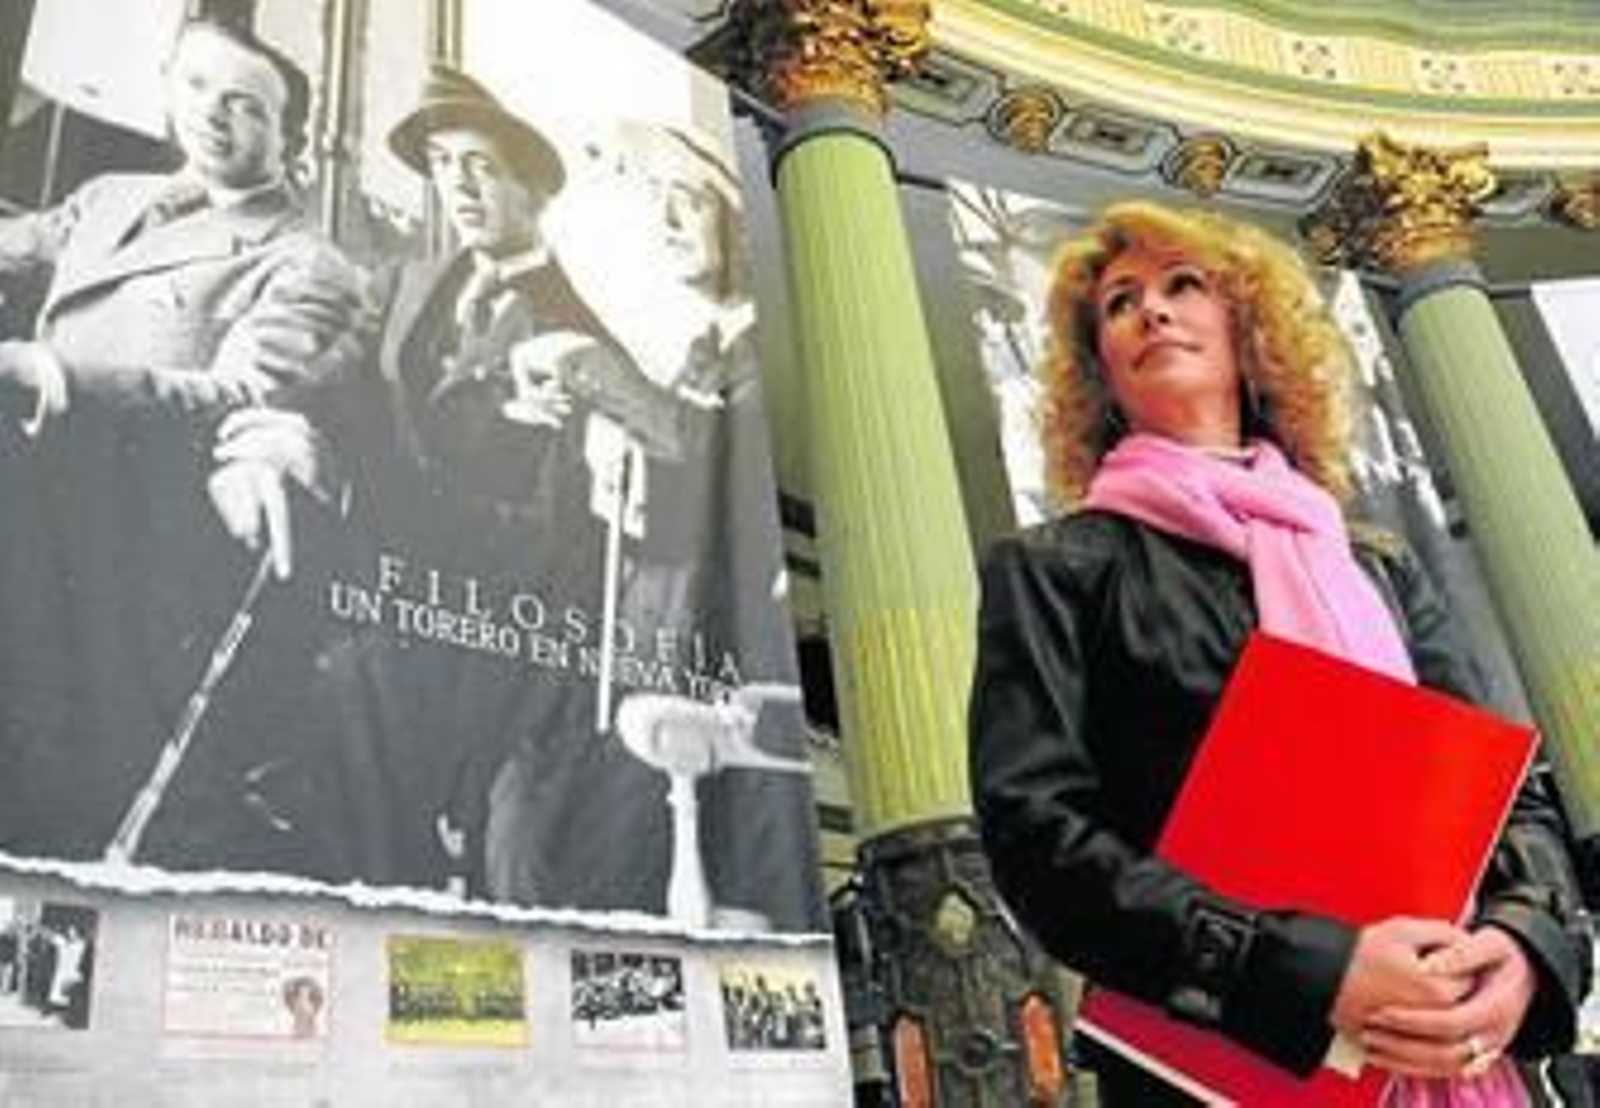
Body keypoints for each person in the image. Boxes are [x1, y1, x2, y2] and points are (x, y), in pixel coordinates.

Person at [967, 201, 1591, 1105]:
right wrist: (1309, 970)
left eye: (1185, 285)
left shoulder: (1376, 562)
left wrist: (1527, 944)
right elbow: (1037, 836)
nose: (1153, 311)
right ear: (1098, 366)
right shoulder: (1054, 567)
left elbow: (1506, 790)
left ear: (1245, 329)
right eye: (1120, 303)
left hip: (1452, 1043)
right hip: (1215, 1062)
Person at [215, 64, 683, 900]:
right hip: (377, 586)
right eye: (442, 164)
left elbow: (558, 527)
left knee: (374, 714)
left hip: (484, 629)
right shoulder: (408, 282)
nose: (457, 185)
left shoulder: (575, 327)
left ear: (531, 190)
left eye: (481, 166)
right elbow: (341, 373)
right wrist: (275, 427)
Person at [0, 17, 365, 872]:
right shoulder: (110, 196)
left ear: (288, 138)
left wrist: (53, 375)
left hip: (135, 551)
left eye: (246, 105)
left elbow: (239, 394)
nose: (213, 114)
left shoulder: (307, 260)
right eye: (198, 87)